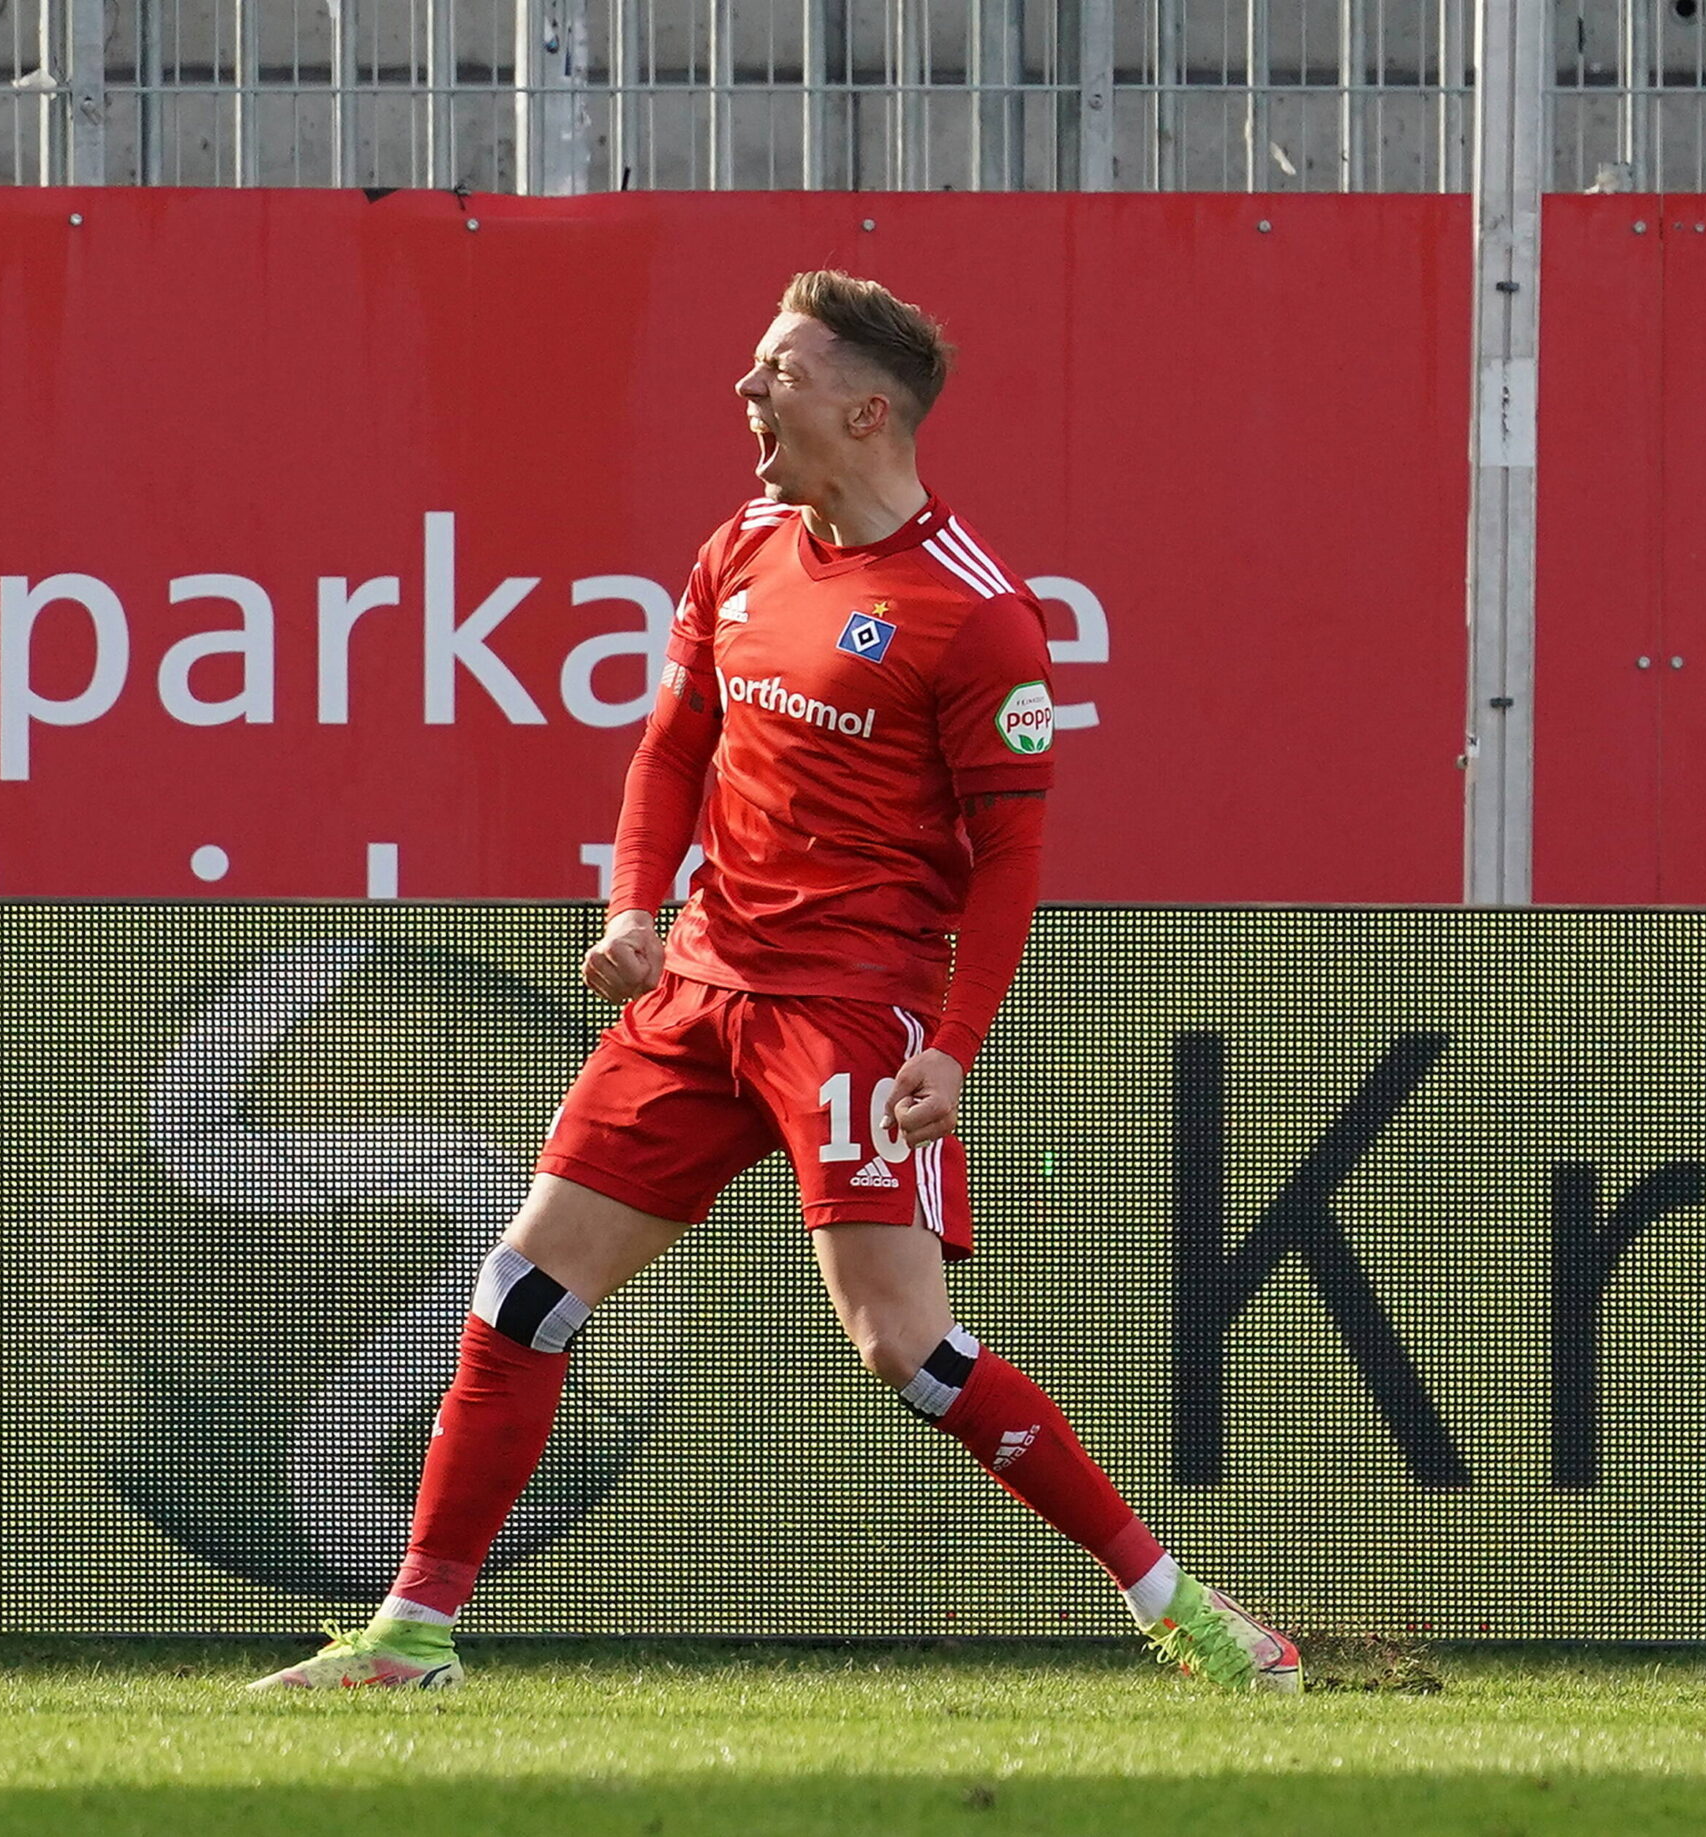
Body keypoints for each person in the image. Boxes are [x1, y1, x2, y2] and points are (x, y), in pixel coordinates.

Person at [251, 271, 1300, 1695]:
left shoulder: (975, 616)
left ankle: (1179, 1605)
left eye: (776, 372)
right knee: (519, 1293)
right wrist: (636, 903)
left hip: (852, 1016)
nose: (746, 395)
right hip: (698, 992)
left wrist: (956, 1041)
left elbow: (1009, 861)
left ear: (865, 408)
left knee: (904, 1350)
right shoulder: (741, 542)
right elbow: (672, 746)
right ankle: (414, 1631)